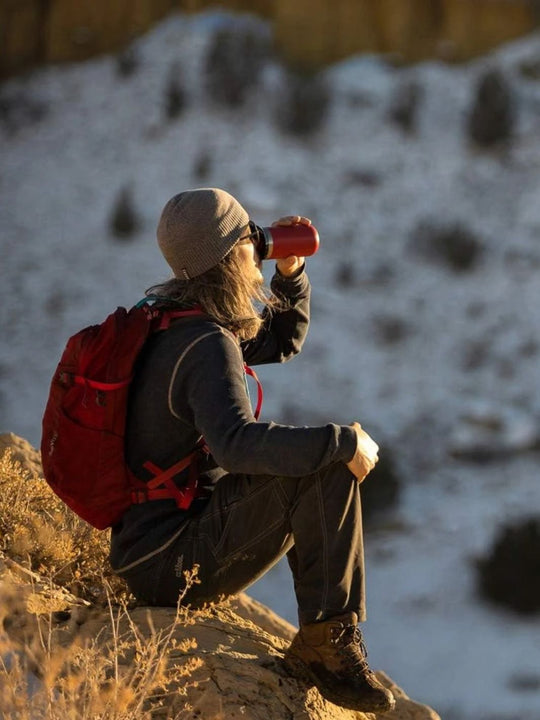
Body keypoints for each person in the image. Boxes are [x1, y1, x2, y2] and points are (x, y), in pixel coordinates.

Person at [109, 187, 395, 713]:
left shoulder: (175, 323)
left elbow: (281, 342)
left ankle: (324, 639)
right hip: (169, 564)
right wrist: (344, 441)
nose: (257, 245)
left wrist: (290, 274)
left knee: (317, 458)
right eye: (249, 237)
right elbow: (236, 445)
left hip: (149, 550)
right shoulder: (204, 345)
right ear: (227, 256)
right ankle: (326, 648)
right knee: (327, 464)